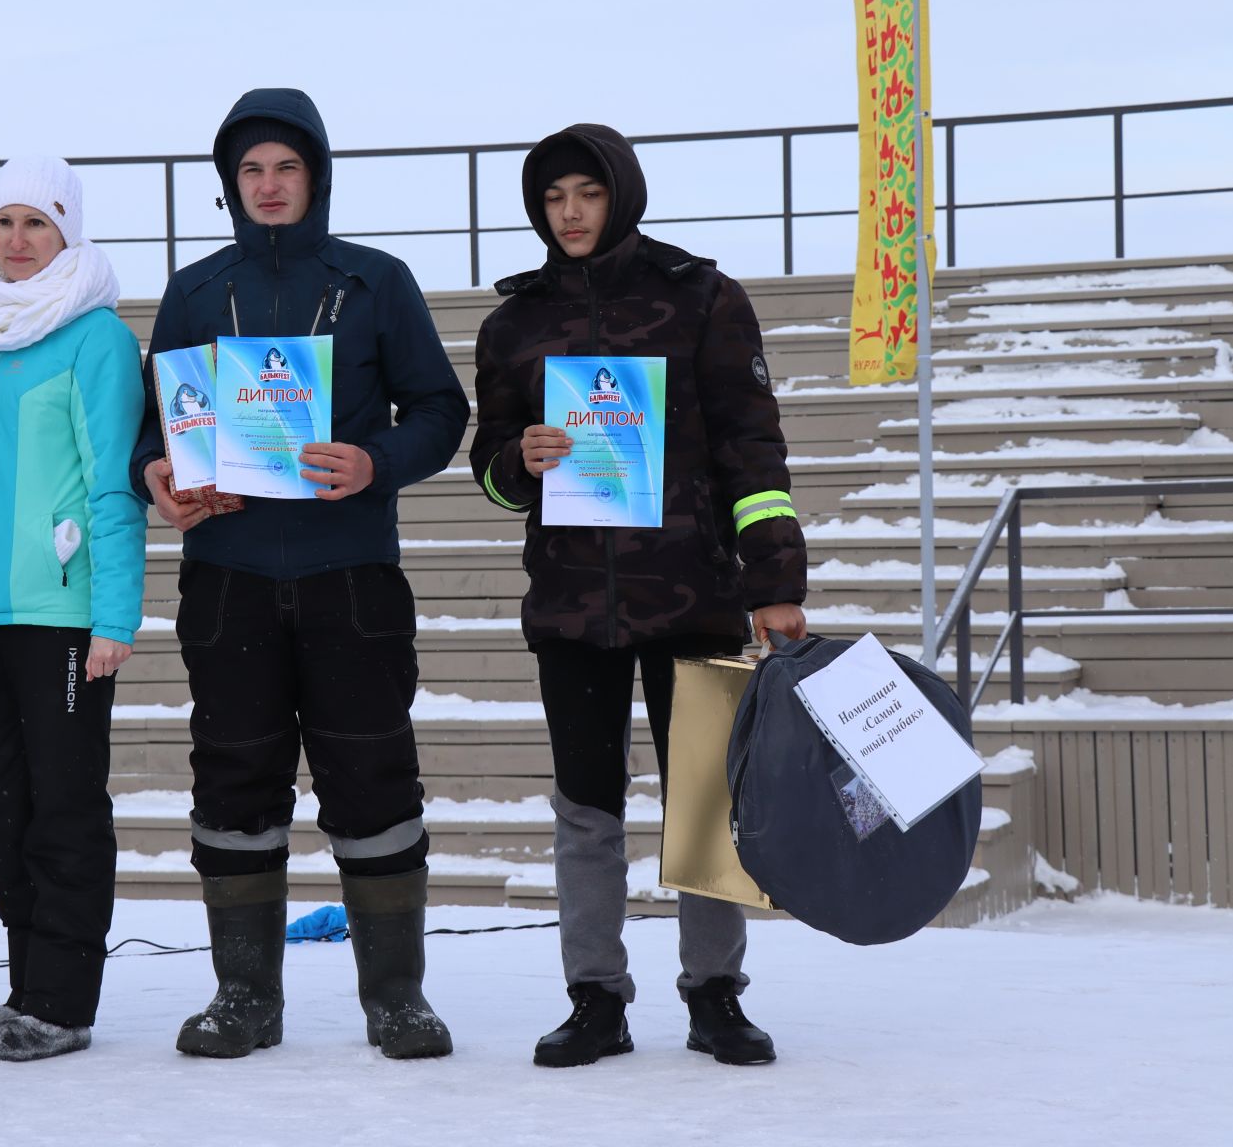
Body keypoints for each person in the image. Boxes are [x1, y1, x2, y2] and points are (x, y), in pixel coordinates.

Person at [132, 88, 471, 1060]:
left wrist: (378, 462)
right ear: (229, 186)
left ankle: (395, 996)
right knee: (235, 777)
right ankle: (245, 994)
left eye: (286, 166)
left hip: (350, 573)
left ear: (316, 175)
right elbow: (155, 432)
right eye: (251, 170)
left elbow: (440, 412)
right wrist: (159, 474)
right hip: (228, 574)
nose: (269, 185)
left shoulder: (377, 283)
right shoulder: (196, 292)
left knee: (372, 774)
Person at [470, 124, 808, 1068]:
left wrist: (776, 583)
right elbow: (489, 470)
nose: (569, 214)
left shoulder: (700, 296)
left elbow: (755, 454)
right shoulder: (513, 324)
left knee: (706, 805)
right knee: (587, 808)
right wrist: (518, 461)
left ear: (621, 193)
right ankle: (595, 1000)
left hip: (696, 599)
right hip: (572, 606)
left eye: (586, 193)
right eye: (552, 199)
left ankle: (715, 996)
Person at [0, 155, 147, 1062]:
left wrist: (114, 617)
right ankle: (26, 985)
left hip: (60, 613)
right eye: (4, 223)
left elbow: (111, 486)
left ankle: (61, 1000)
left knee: (63, 807)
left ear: (68, 233)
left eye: (37, 225)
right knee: (0, 806)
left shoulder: (96, 336)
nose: (17, 243)